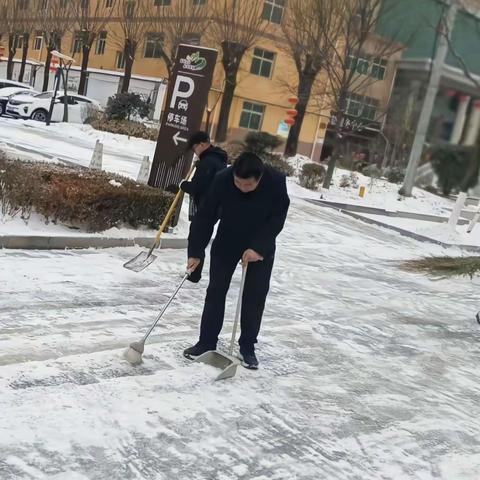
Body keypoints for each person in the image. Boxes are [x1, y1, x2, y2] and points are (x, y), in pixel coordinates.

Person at [183, 152, 290, 369]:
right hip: (227, 241)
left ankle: (247, 346)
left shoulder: (275, 181)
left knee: (254, 296)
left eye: (248, 184)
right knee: (215, 291)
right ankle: (206, 342)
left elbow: (278, 217)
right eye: (238, 183)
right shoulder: (223, 179)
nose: (242, 187)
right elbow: (205, 216)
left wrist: (258, 248)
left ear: (259, 179)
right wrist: (196, 251)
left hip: (260, 246)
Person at [180, 131, 227, 282]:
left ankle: (193, 274)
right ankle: (194, 272)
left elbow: (197, 187)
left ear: (202, 144)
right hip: (215, 207)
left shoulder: (207, 162)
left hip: (208, 206)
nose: (195, 152)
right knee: (200, 237)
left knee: (196, 237)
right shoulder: (218, 159)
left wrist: (183, 185)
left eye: (195, 149)